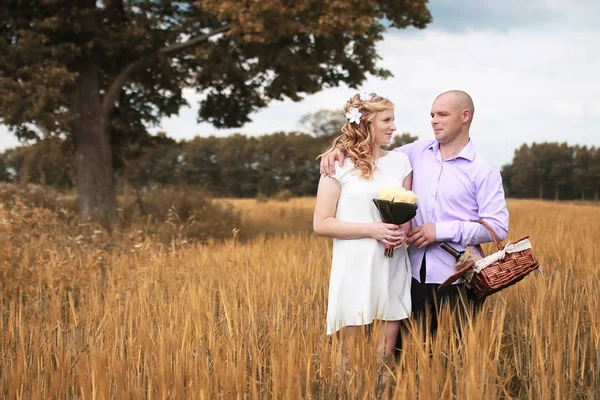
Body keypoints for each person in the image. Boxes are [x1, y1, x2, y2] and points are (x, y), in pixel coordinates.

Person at [320, 90, 509, 346]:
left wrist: (439, 230)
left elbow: (497, 228)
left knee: (450, 358)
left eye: (442, 114)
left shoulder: (483, 170)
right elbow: (369, 150)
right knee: (402, 362)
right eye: (432, 114)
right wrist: (339, 149)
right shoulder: (413, 153)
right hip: (410, 277)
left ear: (465, 116)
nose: (434, 120)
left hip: (456, 278)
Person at [313, 92, 413, 376]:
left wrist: (401, 233)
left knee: (384, 359)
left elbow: (405, 213)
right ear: (366, 124)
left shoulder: (401, 163)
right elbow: (321, 223)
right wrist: (372, 229)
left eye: (393, 119)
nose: (394, 126)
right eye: (387, 120)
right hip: (354, 266)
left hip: (391, 265)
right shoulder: (337, 165)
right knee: (349, 361)